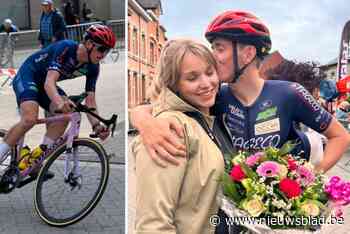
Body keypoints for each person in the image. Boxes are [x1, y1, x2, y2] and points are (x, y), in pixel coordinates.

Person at [130, 10, 350, 175]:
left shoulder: (290, 93)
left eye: (219, 48)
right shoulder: (215, 96)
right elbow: (152, 107)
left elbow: (340, 136)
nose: (212, 55)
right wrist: (146, 124)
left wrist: (308, 177)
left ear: (247, 53)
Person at [132, 39, 234, 234]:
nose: (206, 84)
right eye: (192, 78)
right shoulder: (169, 130)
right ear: (174, 84)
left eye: (210, 72)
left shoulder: (210, 117)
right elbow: (153, 225)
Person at [0, 24, 116, 174]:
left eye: (108, 50)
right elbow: (49, 83)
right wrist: (60, 103)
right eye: (101, 49)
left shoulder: (93, 67)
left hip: (45, 83)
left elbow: (90, 99)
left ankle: (35, 158)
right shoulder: (67, 48)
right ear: (88, 44)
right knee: (30, 118)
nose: (104, 54)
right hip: (29, 75)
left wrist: (97, 126)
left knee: (67, 115)